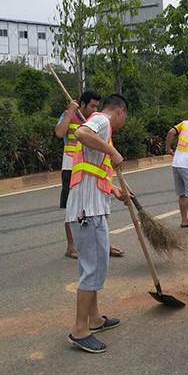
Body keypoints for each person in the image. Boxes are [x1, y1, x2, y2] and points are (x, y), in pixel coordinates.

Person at [65, 94, 131, 353]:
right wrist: (113, 150)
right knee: (92, 266)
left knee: (97, 263)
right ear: (121, 111)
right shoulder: (102, 121)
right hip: (85, 212)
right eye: (126, 117)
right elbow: (81, 133)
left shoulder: (101, 126)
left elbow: (92, 172)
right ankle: (80, 330)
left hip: (89, 207)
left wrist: (112, 189)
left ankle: (94, 318)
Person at [55, 91, 123, 259]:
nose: (94, 109)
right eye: (91, 106)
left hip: (89, 168)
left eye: (96, 107)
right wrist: (71, 110)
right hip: (71, 166)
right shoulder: (71, 116)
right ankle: (72, 246)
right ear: (82, 105)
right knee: (75, 208)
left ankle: (103, 241)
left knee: (94, 205)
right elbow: (59, 132)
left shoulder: (95, 121)